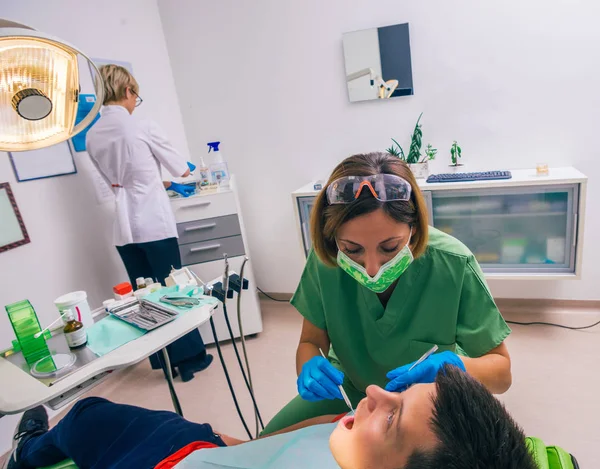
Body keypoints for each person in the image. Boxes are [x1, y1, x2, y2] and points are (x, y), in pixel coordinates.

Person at [263, 152, 513, 434]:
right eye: (352, 249)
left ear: (414, 228)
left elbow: (502, 375)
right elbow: (310, 341)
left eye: (390, 247)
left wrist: (453, 370)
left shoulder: (453, 264)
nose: (371, 269)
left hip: (425, 399)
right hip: (348, 389)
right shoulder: (327, 261)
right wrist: (308, 365)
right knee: (265, 447)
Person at [3, 366, 536, 469]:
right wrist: (234, 445)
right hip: (213, 449)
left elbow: (501, 366)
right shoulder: (352, 436)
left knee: (85, 415)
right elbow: (314, 429)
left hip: (165, 461)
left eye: (392, 418)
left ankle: (26, 454)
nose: (374, 391)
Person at [86, 64, 211, 382]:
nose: (134, 103)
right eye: (135, 96)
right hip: (153, 222)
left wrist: (160, 182)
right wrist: (183, 172)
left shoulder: (92, 136)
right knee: (174, 291)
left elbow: (119, 183)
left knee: (144, 297)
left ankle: (165, 362)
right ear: (128, 91)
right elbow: (181, 169)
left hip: (124, 227)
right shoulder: (141, 126)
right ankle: (191, 360)